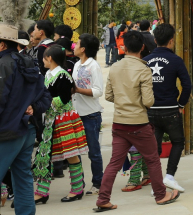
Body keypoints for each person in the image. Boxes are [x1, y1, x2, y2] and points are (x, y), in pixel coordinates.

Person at [96, 30, 180, 211]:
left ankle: (103, 199)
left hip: (119, 123)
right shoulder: (143, 69)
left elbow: (109, 95)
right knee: (152, 159)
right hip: (139, 123)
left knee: (114, 163)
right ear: (142, 47)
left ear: (124, 47)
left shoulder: (115, 67)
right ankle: (161, 195)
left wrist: (123, 100)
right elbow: (149, 101)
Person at [0, 24, 51, 215]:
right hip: (27, 130)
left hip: (7, 132)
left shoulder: (3, 65)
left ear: (2, 45)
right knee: (22, 177)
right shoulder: (29, 62)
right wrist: (33, 108)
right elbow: (45, 96)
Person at [33, 44, 89, 204]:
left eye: (43, 57)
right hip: (51, 120)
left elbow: (64, 98)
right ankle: (41, 192)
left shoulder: (63, 76)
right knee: (44, 156)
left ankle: (77, 189)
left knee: (70, 155)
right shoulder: (48, 74)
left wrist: (43, 103)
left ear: (49, 58)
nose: (42, 60)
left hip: (64, 120)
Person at [144, 23, 192, 193]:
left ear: (155, 40)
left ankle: (156, 182)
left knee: (153, 148)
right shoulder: (176, 60)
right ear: (171, 41)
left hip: (150, 110)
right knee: (178, 142)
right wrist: (180, 104)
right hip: (171, 109)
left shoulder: (146, 61)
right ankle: (169, 176)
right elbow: (187, 85)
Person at [72, 34, 105, 197]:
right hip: (76, 116)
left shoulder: (94, 66)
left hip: (91, 115)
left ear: (83, 49)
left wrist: (78, 90)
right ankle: (79, 185)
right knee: (75, 152)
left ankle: (98, 183)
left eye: (77, 43)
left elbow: (99, 91)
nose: (74, 46)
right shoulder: (77, 65)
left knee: (94, 152)